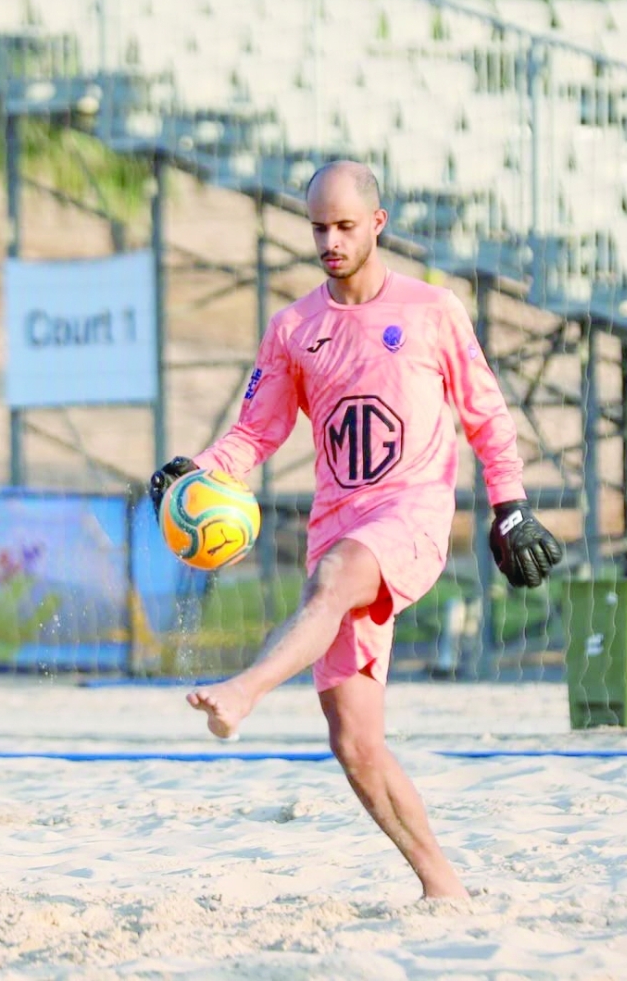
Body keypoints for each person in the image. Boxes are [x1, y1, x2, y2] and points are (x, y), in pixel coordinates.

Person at [150, 159, 562, 899]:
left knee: (335, 577)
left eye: (344, 226)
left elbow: (486, 415)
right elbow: (255, 432)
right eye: (318, 228)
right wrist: (195, 474)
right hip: (337, 523)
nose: (330, 241)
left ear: (378, 223)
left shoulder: (435, 311)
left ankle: (245, 691)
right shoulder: (294, 328)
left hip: (409, 519)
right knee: (356, 745)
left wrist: (511, 505)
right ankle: (445, 889)